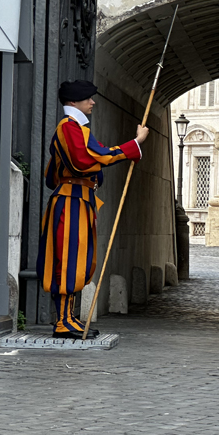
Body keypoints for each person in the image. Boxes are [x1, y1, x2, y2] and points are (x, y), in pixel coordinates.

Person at [36, 80, 149, 339]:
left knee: (80, 262)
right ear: (74, 102)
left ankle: (70, 318)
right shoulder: (68, 128)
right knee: (67, 262)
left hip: (80, 201)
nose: (93, 102)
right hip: (70, 202)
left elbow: (53, 174)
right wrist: (134, 144)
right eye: (88, 98)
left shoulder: (76, 129)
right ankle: (63, 322)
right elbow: (86, 160)